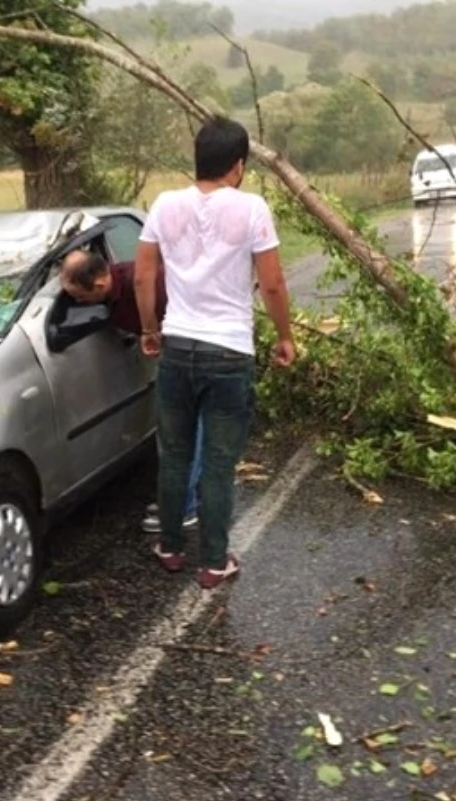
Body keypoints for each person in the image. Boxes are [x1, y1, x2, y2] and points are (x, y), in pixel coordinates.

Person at [133, 116, 296, 590]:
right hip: (228, 352)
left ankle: (169, 546)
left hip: (178, 346)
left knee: (175, 455)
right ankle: (213, 562)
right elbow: (272, 282)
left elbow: (144, 277)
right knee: (220, 463)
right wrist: (286, 336)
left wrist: (149, 329)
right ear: (238, 166)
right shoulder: (252, 209)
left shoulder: (164, 205)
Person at [58, 249, 201, 533]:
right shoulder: (110, 289)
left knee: (181, 432)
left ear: (98, 285)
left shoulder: (151, 285)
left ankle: (183, 508)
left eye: (79, 297)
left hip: (192, 352)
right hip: (174, 353)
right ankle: (184, 499)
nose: (77, 303)